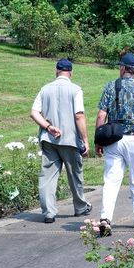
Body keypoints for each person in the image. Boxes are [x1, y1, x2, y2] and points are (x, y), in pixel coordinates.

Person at [95, 53, 134, 236]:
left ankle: (106, 218)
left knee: (111, 180)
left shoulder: (110, 87)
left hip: (114, 139)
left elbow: (101, 115)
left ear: (123, 68)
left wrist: (99, 140)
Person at [30, 58, 92, 224]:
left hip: (49, 139)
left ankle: (49, 212)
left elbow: (34, 112)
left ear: (56, 70)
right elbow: (79, 115)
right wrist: (85, 140)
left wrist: (48, 126)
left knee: (47, 176)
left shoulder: (45, 89)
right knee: (75, 175)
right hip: (70, 139)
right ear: (70, 72)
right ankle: (80, 207)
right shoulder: (75, 89)